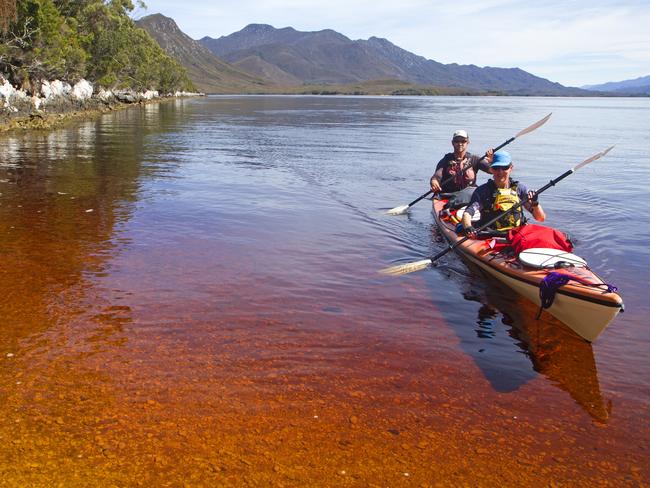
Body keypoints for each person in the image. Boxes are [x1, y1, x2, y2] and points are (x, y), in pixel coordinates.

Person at [461, 151, 545, 238]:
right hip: (490, 235)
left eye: (504, 167)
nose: (500, 172)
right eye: (496, 168)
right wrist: (468, 227)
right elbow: (467, 214)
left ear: (511, 168)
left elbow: (540, 218)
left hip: (516, 235)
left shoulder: (519, 189)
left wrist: (535, 203)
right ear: (491, 169)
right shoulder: (483, 191)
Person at [430, 129, 492, 193]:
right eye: (457, 141)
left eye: (463, 141)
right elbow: (437, 176)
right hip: (448, 195)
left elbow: (492, 171)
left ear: (467, 142)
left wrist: (492, 161)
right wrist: (434, 181)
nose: (460, 144)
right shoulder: (446, 160)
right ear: (452, 143)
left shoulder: (475, 159)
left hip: (469, 195)